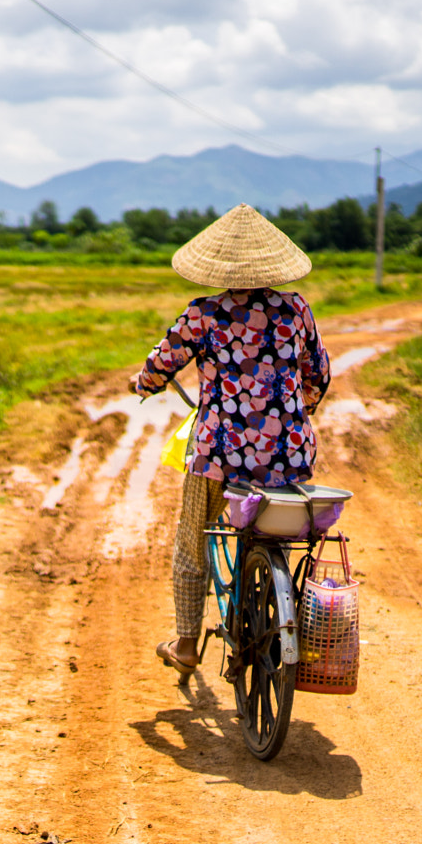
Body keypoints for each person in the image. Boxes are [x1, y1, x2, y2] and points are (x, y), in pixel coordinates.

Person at [129, 204, 330, 677]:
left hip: (220, 453)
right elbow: (317, 375)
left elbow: (163, 361)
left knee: (192, 535)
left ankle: (184, 641)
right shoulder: (296, 308)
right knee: (279, 529)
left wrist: (145, 382)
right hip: (288, 454)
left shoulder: (204, 313)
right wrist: (295, 415)